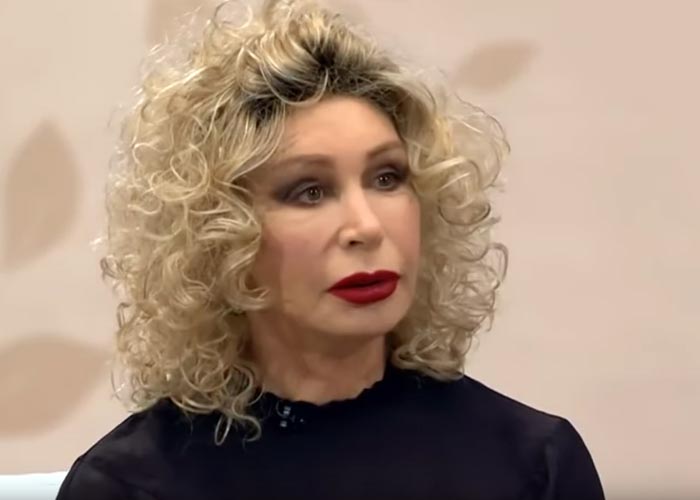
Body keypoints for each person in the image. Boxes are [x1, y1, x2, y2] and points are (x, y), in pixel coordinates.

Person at [57, 0, 605, 498]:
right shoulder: (127, 485)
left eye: (387, 178)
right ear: (218, 230)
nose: (365, 227)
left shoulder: (533, 466)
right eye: (309, 191)